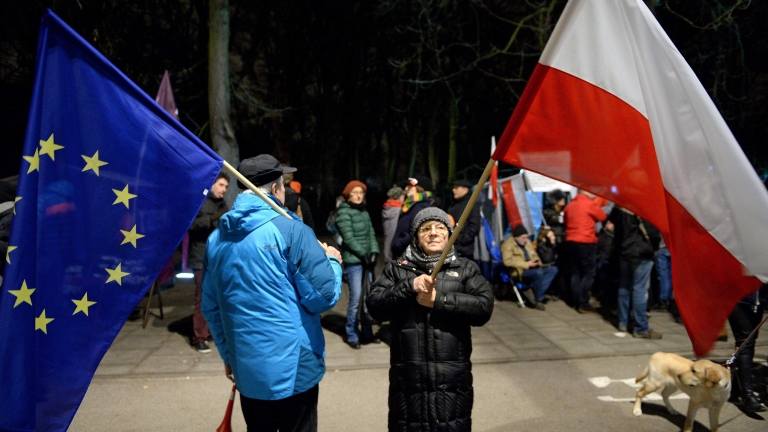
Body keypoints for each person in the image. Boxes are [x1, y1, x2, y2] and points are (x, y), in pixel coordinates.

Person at [201, 154, 342, 432]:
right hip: (294, 369)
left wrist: (229, 357)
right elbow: (323, 296)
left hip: (247, 369)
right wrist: (333, 262)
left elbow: (211, 306)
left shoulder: (217, 237)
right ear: (277, 189)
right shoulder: (291, 230)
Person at [367, 207, 493, 432]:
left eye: (440, 228)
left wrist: (439, 300)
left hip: (452, 384)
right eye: (425, 229)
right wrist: (409, 287)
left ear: (449, 234)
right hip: (408, 387)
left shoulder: (464, 269)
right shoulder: (397, 270)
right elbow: (374, 306)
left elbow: (484, 308)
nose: (433, 233)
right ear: (416, 236)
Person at [187, 172, 229, 353]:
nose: (224, 190)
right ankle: (199, 337)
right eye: (221, 185)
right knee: (203, 298)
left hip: (218, 257)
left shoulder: (223, 204)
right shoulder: (199, 201)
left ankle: (213, 332)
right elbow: (190, 226)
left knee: (218, 298)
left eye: (226, 187)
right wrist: (210, 220)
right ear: (212, 184)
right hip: (201, 257)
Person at [335, 180, 380, 349]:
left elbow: (371, 234)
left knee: (367, 297)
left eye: (361, 192)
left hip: (367, 261)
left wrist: (374, 251)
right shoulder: (344, 213)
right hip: (354, 261)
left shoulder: (364, 211)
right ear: (348, 195)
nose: (359, 195)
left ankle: (367, 333)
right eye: (355, 192)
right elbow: (349, 238)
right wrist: (363, 254)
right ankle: (352, 334)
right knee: (356, 298)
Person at [609, 206, 662, 339]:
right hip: (640, 252)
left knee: (624, 287)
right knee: (640, 290)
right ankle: (641, 327)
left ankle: (623, 322)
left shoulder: (619, 207)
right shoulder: (640, 207)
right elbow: (652, 232)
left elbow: (613, 226)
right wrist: (655, 247)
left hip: (624, 251)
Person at [563, 190, 607, 313]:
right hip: (586, 241)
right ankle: (583, 302)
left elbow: (566, 222)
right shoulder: (588, 204)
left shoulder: (569, 206)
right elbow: (602, 216)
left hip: (571, 241)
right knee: (588, 272)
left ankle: (574, 300)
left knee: (575, 272)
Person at [728, 287, 768, 412]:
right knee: (745, 342)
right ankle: (747, 396)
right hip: (738, 297)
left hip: (758, 299)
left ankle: (736, 386)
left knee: (750, 341)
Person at [501, 224, 558, 311]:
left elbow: (534, 254)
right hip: (520, 271)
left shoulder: (527, 243)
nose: (525, 240)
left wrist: (537, 261)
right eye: (523, 238)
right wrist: (527, 264)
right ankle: (539, 299)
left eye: (526, 237)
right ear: (516, 237)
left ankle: (536, 291)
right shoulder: (508, 245)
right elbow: (507, 261)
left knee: (553, 270)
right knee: (538, 273)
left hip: (532, 267)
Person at [390, 174, 434, 259]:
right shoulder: (411, 205)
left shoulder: (420, 207)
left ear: (420, 189)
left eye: (410, 186)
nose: (406, 189)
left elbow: (415, 233)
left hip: (408, 257)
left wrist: (398, 244)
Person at [446, 179, 481, 259]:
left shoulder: (471, 205)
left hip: (464, 251)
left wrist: (461, 240)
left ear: (465, 190)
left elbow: (474, 226)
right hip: (451, 249)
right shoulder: (452, 206)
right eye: (453, 187)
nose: (453, 190)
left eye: (456, 188)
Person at [381, 186, 404, 262]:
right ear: (399, 197)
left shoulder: (387, 208)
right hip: (394, 251)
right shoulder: (399, 210)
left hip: (387, 251)